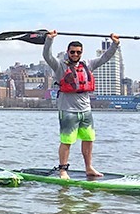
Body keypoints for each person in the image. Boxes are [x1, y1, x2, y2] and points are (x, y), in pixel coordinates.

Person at [43, 30, 120, 179]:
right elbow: (47, 56)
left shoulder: (88, 65)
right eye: (72, 52)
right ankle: (63, 170)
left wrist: (115, 44)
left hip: (86, 110)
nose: (75, 55)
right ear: (68, 52)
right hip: (68, 110)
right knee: (67, 141)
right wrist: (49, 40)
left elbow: (105, 57)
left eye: (78, 52)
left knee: (88, 139)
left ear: (81, 53)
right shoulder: (60, 66)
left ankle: (89, 167)